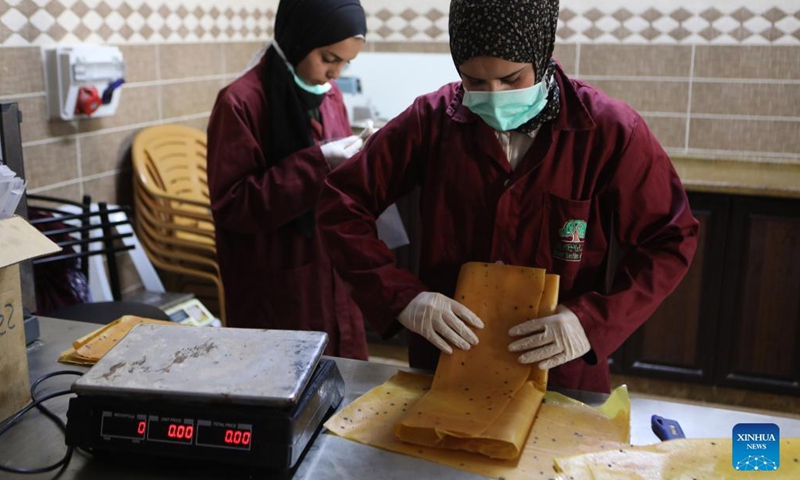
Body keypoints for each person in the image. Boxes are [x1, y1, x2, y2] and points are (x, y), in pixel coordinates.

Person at [316, 0, 699, 392]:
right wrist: (404, 299)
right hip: (445, 367)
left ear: (542, 54)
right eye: (475, 82)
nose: (494, 97)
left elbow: (670, 238)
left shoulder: (608, 131)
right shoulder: (431, 122)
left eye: (511, 79)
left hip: (561, 375)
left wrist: (591, 322)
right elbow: (341, 206)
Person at [206, 0, 369, 359]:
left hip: (332, 274)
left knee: (344, 387)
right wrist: (318, 163)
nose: (336, 73)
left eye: (346, 62)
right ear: (299, 39)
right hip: (276, 283)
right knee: (282, 383)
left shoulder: (329, 97)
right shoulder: (241, 103)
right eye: (328, 59)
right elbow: (233, 204)